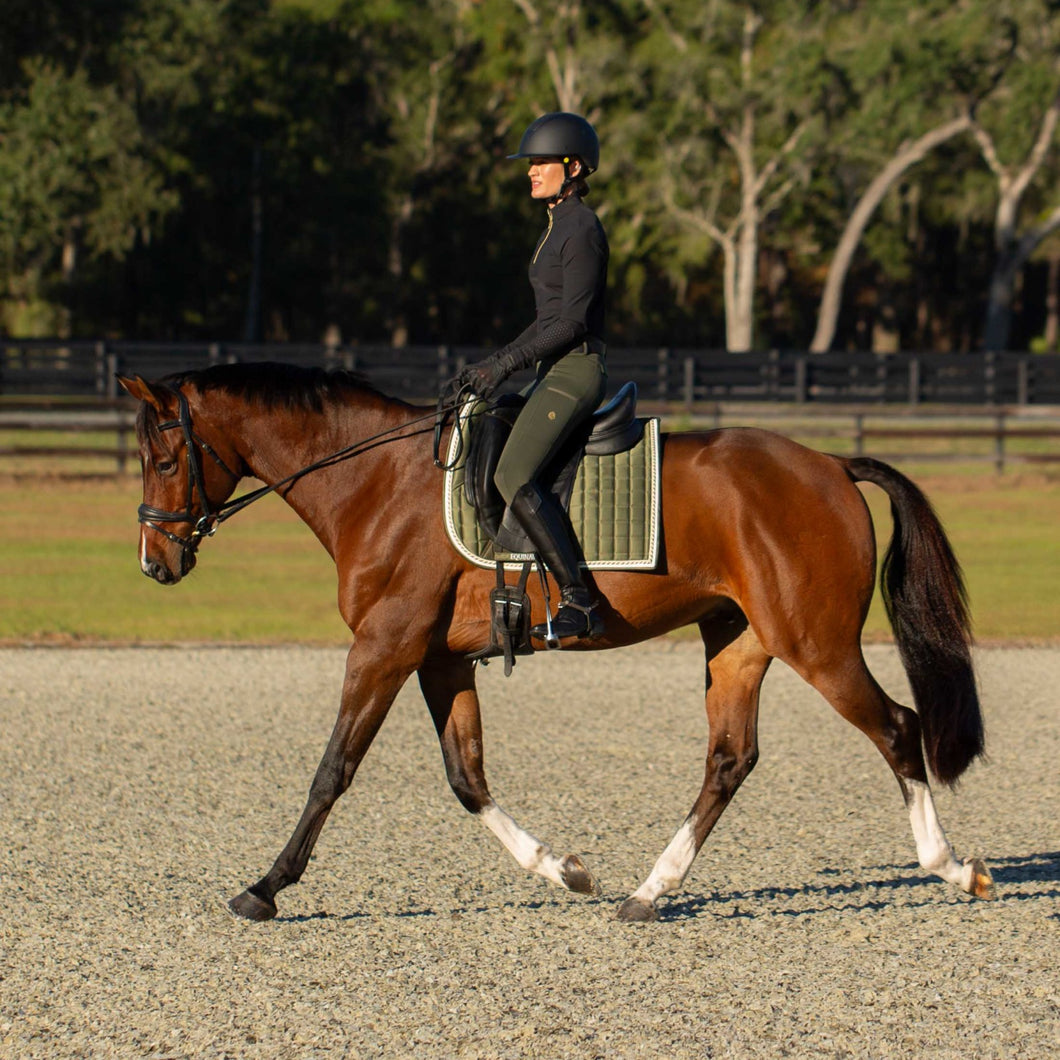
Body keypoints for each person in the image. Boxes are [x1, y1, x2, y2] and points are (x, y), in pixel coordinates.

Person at [449, 111, 609, 643]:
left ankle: (581, 602)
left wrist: (507, 364)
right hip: (553, 365)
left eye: (541, 162)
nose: (531, 171)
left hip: (578, 367)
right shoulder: (556, 226)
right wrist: (491, 365)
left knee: (513, 473)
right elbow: (543, 322)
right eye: (531, 163)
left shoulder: (581, 229)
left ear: (573, 166)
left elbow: (571, 324)